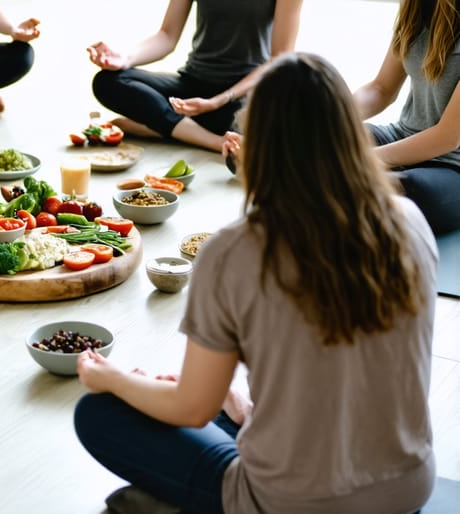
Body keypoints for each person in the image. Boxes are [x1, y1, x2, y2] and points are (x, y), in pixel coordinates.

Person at [74, 53, 438, 514]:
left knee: (100, 412)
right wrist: (245, 407)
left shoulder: (233, 251)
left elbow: (190, 409)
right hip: (407, 490)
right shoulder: (409, 222)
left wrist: (114, 378)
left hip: (290, 502)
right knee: (230, 405)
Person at [87, 0, 302, 152]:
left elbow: (280, 58)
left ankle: (163, 125)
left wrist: (215, 102)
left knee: (277, 126)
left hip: (240, 96)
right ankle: (215, 141)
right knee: (108, 82)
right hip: (192, 82)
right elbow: (167, 36)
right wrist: (124, 59)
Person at [353, 0, 460, 235]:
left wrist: (365, 159)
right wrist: (333, 115)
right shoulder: (413, 7)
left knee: (403, 188)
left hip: (452, 166)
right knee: (326, 143)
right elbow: (381, 89)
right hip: (402, 135)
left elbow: (448, 137)